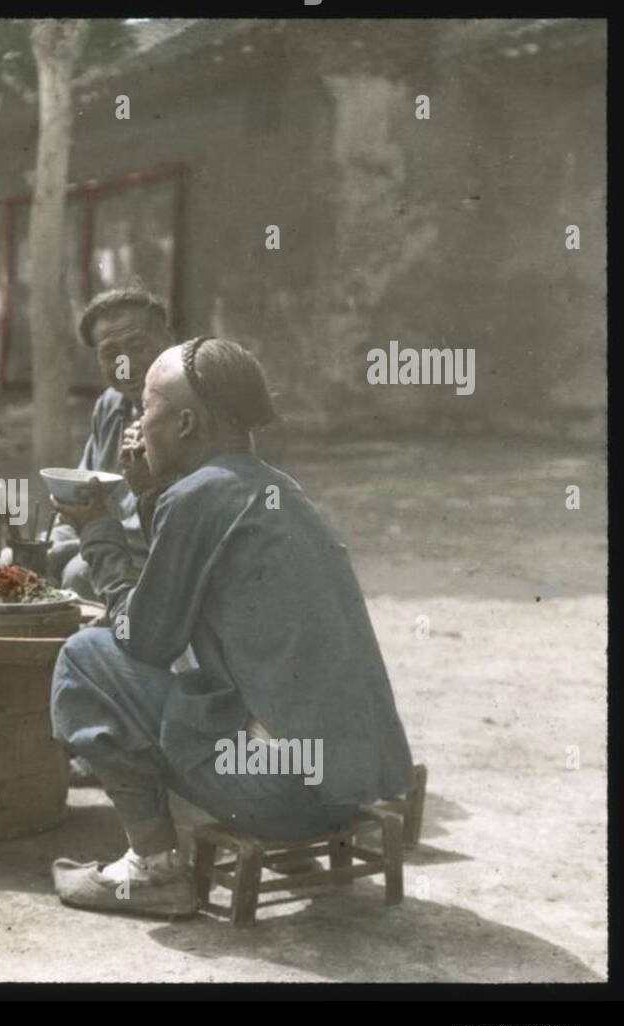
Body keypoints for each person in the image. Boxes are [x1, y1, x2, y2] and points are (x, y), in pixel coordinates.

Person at [47, 336, 415, 918]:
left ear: (186, 423)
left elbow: (143, 638)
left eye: (146, 409)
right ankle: (293, 853)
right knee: (226, 678)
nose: (138, 425)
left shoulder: (199, 496)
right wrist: (149, 495)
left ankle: (153, 870)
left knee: (83, 658)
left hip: (277, 793)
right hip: (349, 787)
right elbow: (194, 582)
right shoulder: (275, 488)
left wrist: (97, 532)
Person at [46, 287, 174, 787]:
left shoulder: (185, 407)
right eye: (109, 354)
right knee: (34, 574)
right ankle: (85, 733)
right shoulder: (110, 406)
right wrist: (57, 547)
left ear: (168, 339)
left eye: (137, 347)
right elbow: (82, 483)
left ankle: (117, 740)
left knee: (79, 576)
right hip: (107, 549)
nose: (125, 364)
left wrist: (81, 553)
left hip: (166, 558)